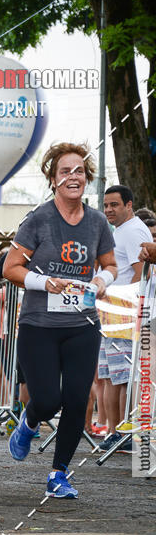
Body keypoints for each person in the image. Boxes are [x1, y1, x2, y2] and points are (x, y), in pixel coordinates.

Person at [4, 141, 116, 499]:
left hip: (82, 324)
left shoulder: (97, 222)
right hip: (39, 325)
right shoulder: (38, 219)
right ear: (53, 180)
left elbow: (111, 265)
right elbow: (10, 268)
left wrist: (101, 281)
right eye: (65, 171)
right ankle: (29, 421)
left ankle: (58, 474)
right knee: (48, 399)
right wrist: (45, 282)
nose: (73, 177)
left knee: (77, 398)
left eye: (79, 171)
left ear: (87, 179)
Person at [98, 185, 152, 452]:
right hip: (109, 317)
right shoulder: (119, 231)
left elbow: (141, 274)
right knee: (109, 377)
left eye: (115, 205)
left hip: (126, 316)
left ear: (129, 205)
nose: (108, 209)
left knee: (124, 379)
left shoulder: (134, 230)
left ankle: (126, 435)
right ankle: (113, 432)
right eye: (106, 205)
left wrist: (125, 308)